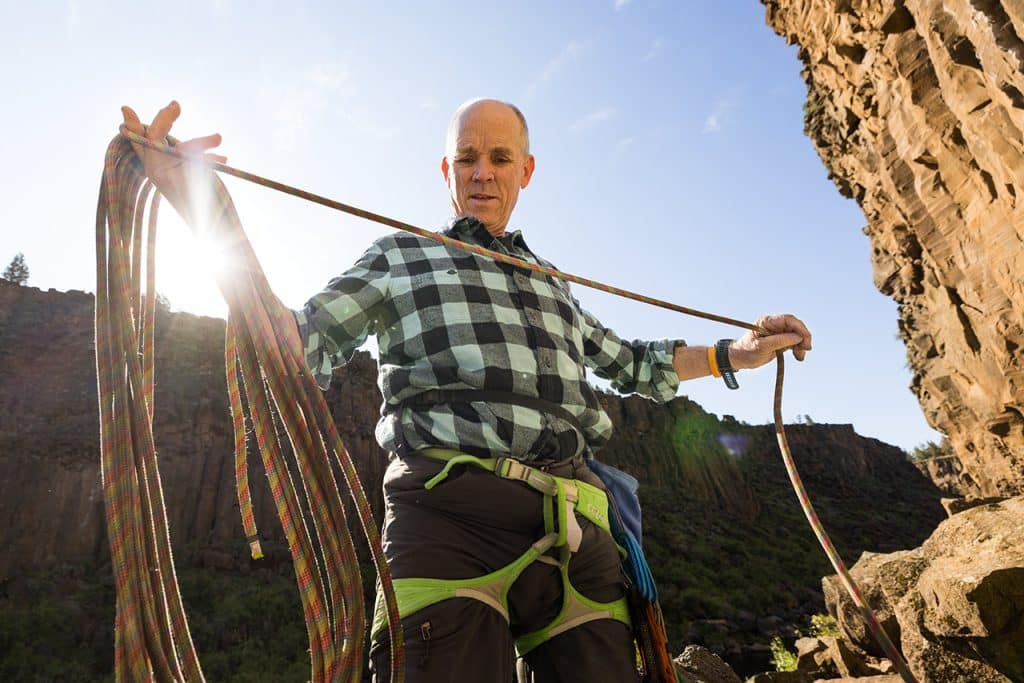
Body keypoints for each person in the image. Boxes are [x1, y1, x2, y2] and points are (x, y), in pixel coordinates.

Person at [122, 99, 812, 682]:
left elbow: (632, 364)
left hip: (574, 526)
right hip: (446, 522)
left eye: (500, 158)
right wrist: (204, 210)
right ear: (446, 171)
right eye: (467, 158)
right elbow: (290, 344)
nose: (483, 172)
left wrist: (741, 352)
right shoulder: (401, 257)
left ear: (526, 170)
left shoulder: (554, 285)